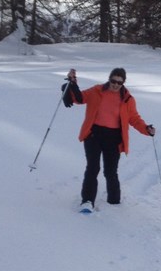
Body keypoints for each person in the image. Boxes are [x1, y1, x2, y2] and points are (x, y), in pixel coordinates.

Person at [63, 67, 155, 211]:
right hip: (94, 135)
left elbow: (134, 118)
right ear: (109, 79)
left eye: (119, 82)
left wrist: (146, 129)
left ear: (123, 83)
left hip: (114, 137)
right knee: (93, 168)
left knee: (110, 171)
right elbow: (79, 98)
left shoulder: (127, 99)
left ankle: (114, 202)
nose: (116, 85)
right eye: (113, 81)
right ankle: (87, 201)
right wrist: (71, 84)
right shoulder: (97, 91)